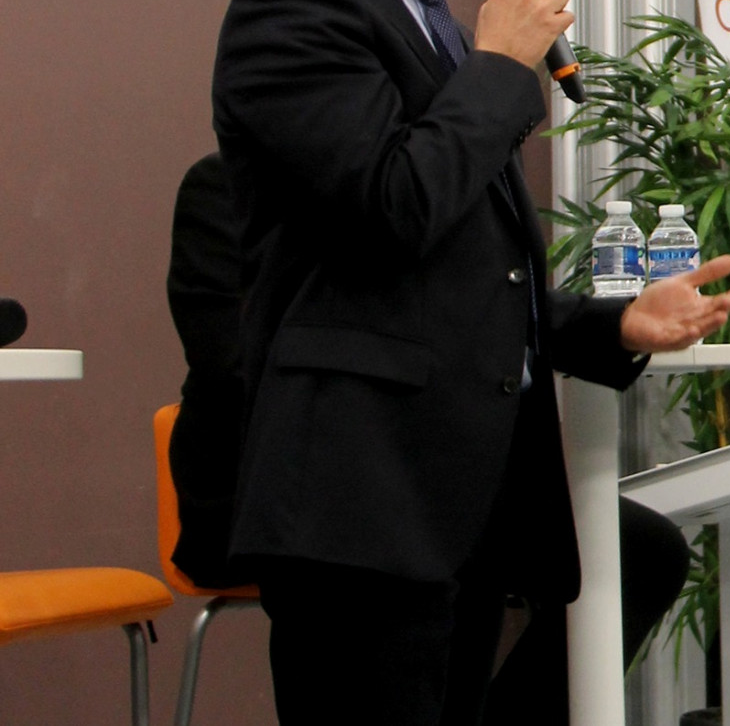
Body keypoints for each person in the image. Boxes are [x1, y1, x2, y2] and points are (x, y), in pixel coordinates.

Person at [210, 0, 730, 726]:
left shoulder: (437, 17)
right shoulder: (293, 3)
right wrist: (500, 66)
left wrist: (611, 325)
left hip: (460, 495)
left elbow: (464, 278)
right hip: (359, 497)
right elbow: (393, 208)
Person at [166, 150, 693, 721]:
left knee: (639, 548)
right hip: (292, 479)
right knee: (409, 540)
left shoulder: (444, 195)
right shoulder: (233, 186)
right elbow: (233, 365)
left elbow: (506, 308)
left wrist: (617, 325)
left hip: (437, 467)